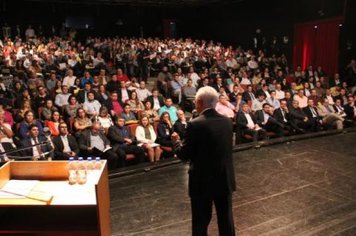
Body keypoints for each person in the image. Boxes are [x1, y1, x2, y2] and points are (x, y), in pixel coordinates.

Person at [172, 86, 236, 236]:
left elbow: (184, 155)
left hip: (202, 182)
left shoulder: (195, 124)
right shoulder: (227, 121)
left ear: (199, 102)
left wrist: (175, 142)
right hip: (224, 179)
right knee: (226, 221)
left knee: (200, 222)